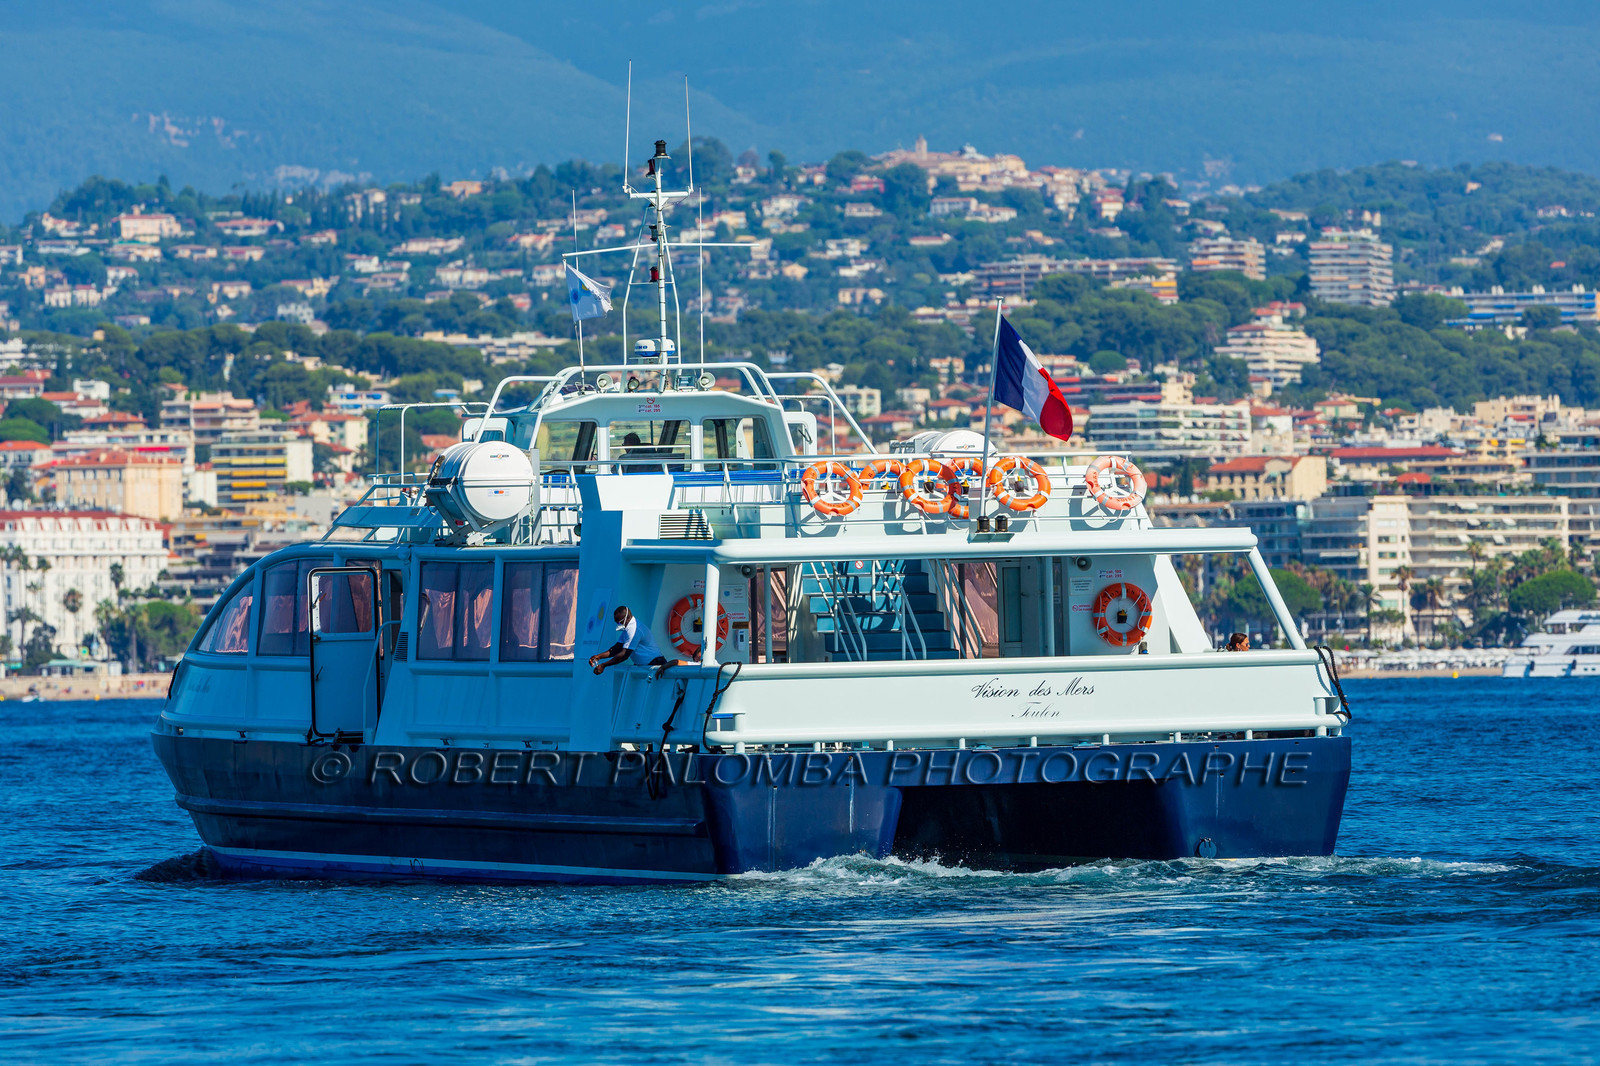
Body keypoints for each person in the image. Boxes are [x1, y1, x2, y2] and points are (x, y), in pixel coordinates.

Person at [589, 605, 679, 676]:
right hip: (646, 665)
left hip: (656, 664)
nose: (618, 624)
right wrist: (598, 657)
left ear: (626, 618)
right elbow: (616, 649)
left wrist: (604, 665)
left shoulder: (634, 629)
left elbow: (624, 655)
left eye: (619, 622)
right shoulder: (627, 628)